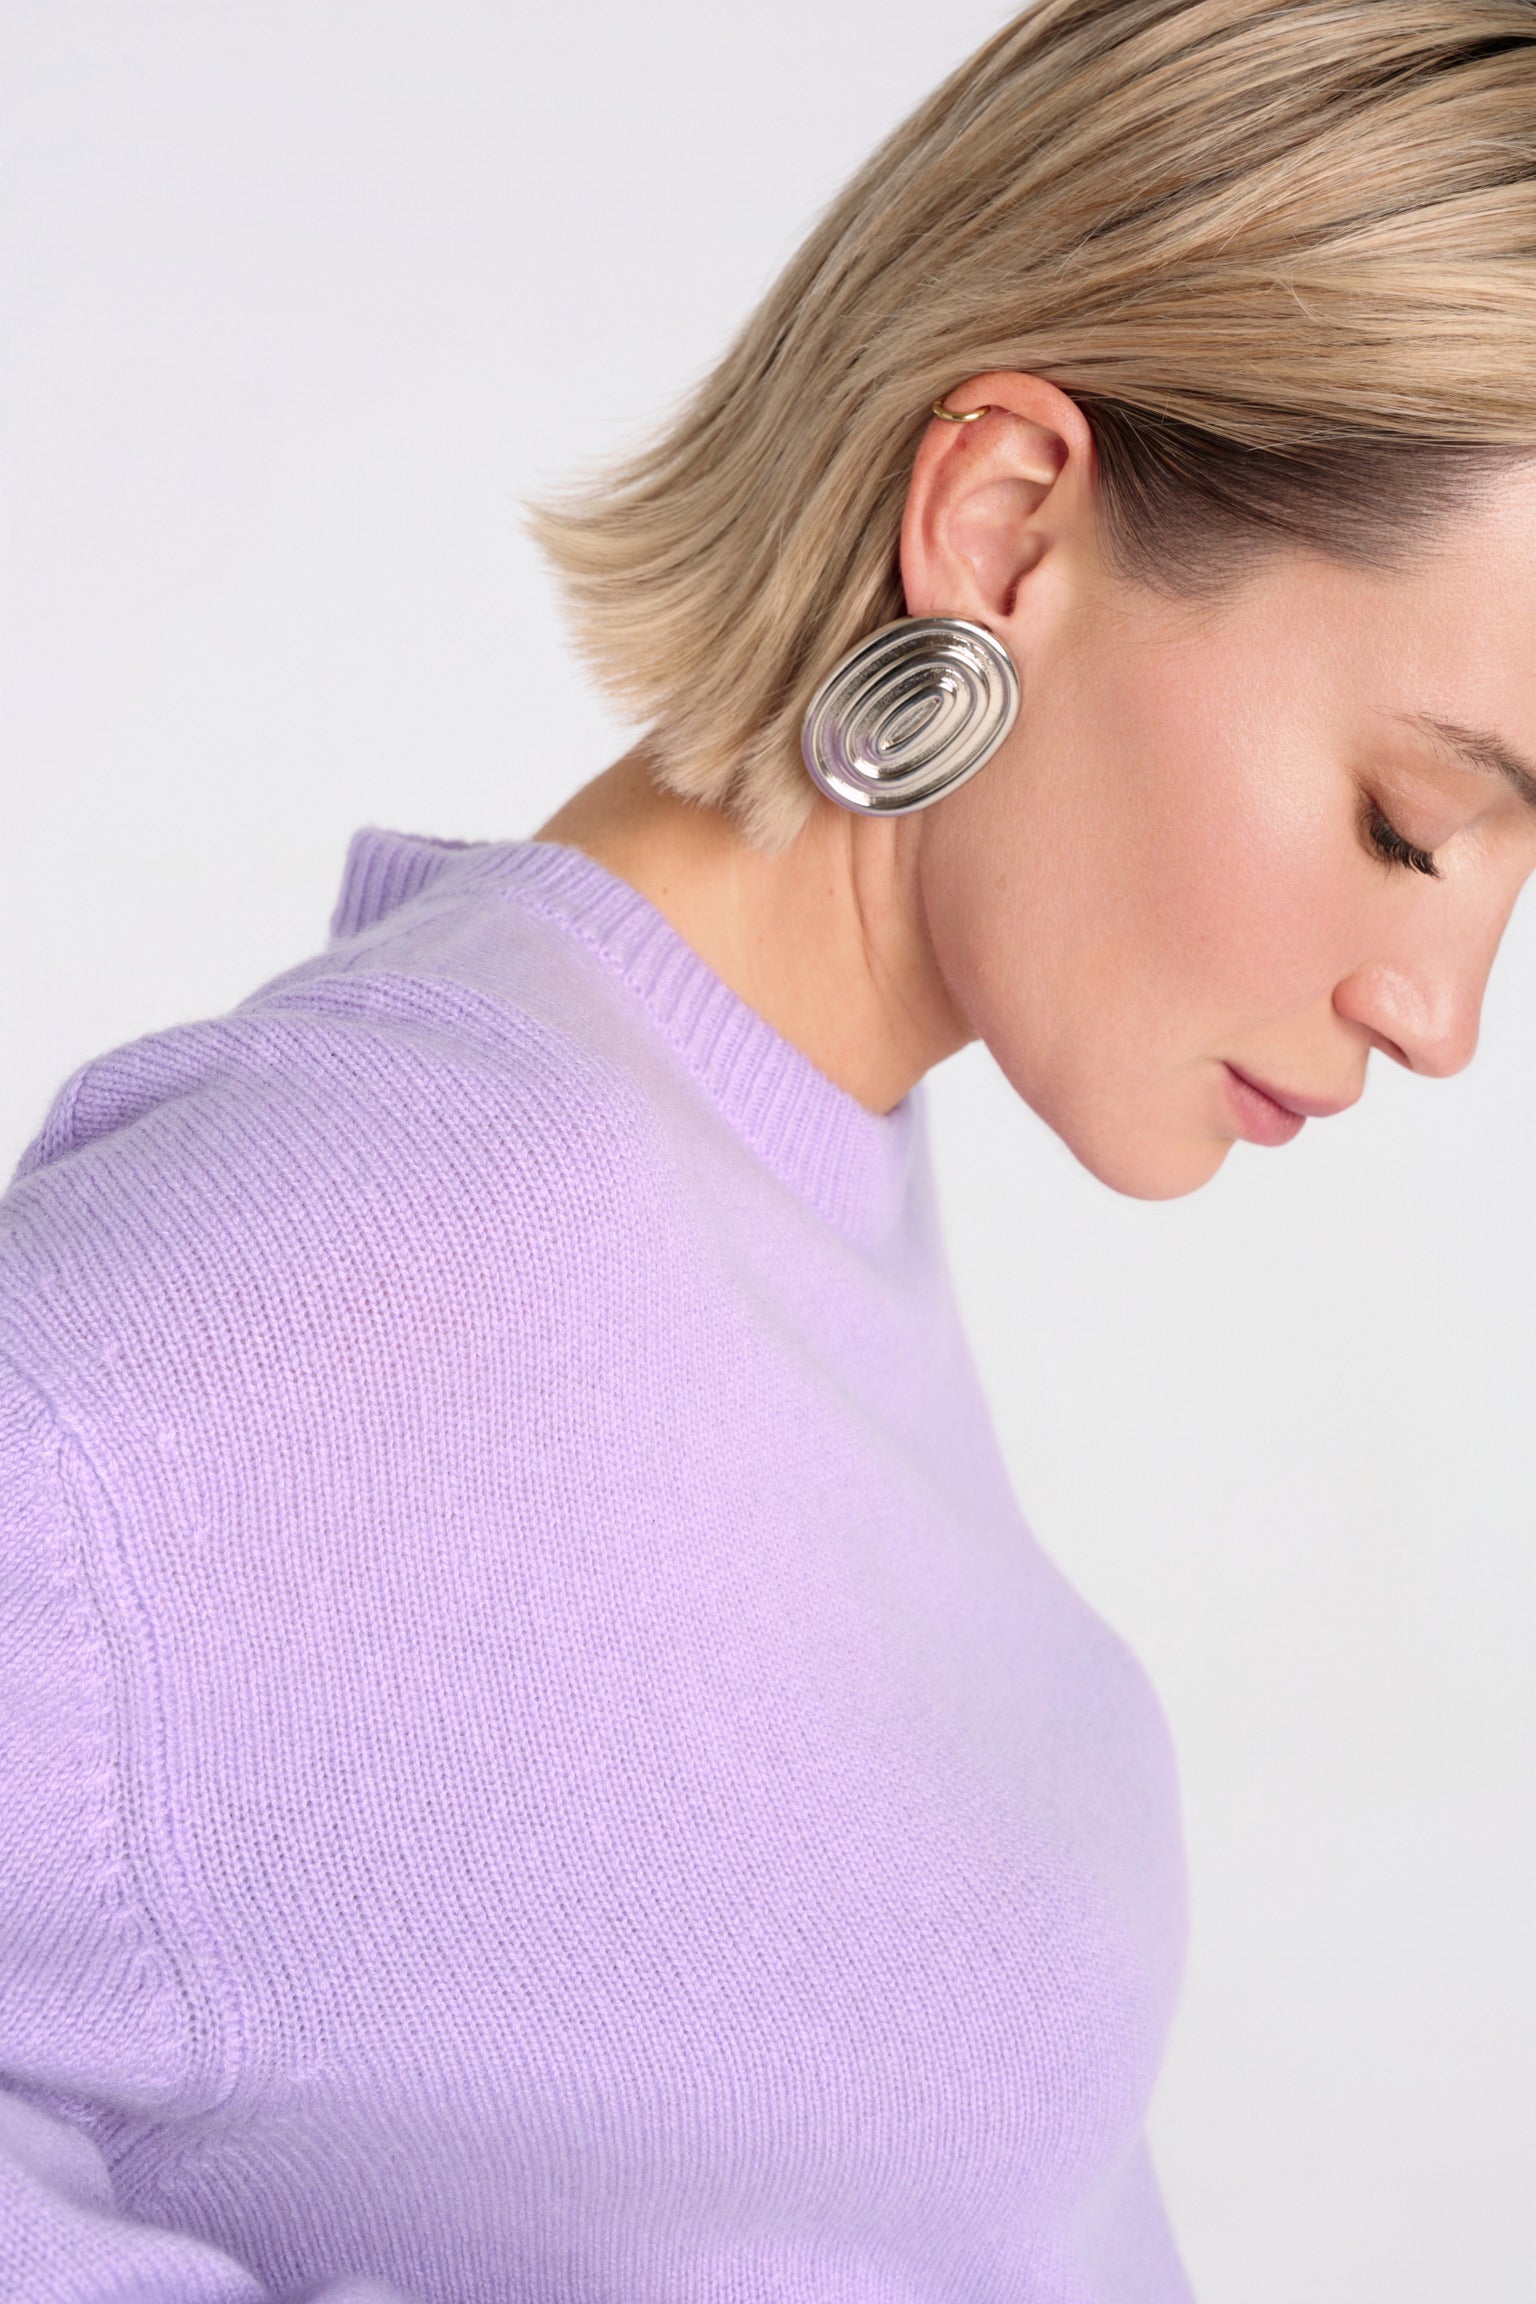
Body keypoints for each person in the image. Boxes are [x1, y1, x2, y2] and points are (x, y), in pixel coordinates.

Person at [4, 1, 1535, 2297]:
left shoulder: (776, 1151)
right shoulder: (343, 1281)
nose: (1445, 1012)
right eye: (1412, 824)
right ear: (1004, 530)